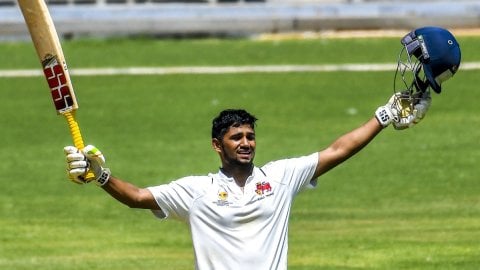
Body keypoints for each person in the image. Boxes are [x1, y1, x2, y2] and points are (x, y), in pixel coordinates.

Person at [64, 26, 460, 270]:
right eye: (237, 138)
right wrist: (100, 173)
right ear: (217, 146)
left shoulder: (281, 177)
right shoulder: (195, 191)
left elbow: (338, 150)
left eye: (250, 136)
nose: (246, 143)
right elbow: (136, 197)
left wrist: (384, 116)